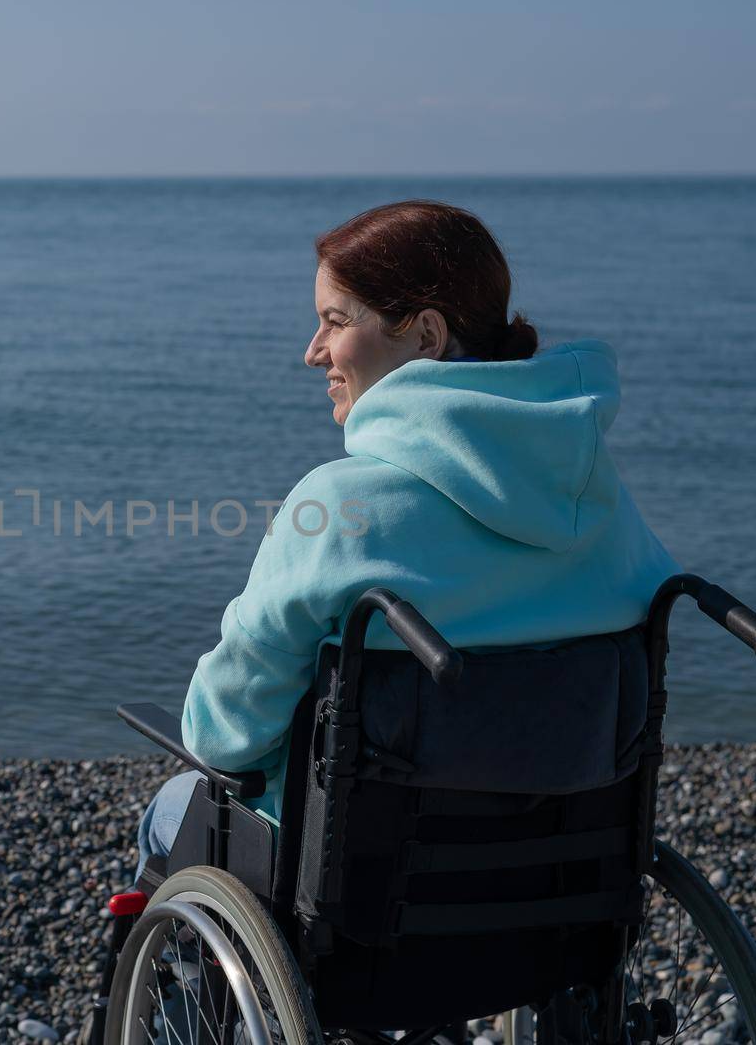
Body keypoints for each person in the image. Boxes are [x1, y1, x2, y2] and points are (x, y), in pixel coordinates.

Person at [134, 199, 681, 880]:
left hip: (365, 888)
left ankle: (172, 985)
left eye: (334, 322)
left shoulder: (339, 506)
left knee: (171, 807)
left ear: (425, 335)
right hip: (562, 876)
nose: (312, 353)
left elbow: (223, 737)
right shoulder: (598, 496)